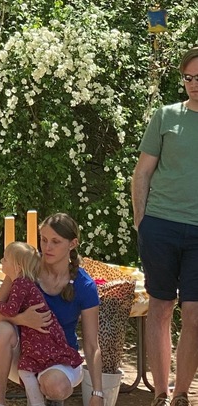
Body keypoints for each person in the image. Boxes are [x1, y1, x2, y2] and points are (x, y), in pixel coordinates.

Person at [131, 45, 198, 406]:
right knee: (160, 307)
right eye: (189, 77)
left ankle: (183, 393)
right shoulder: (166, 115)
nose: (194, 84)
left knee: (194, 314)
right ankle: (160, 392)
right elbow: (142, 172)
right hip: (161, 225)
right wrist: (142, 221)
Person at [0, 213, 103, 406]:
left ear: (72, 244)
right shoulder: (25, 266)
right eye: (44, 240)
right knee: (0, 330)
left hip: (60, 358)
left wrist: (97, 392)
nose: (47, 247)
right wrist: (22, 319)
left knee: (56, 385)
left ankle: (52, 396)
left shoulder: (84, 285)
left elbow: (92, 345)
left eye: (56, 242)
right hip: (25, 355)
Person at [0, 241, 83, 406]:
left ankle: (40, 399)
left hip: (43, 345)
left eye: (5, 259)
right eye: (45, 239)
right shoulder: (20, 278)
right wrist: (22, 320)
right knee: (22, 366)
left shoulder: (21, 282)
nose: (1, 262)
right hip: (33, 343)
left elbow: (8, 309)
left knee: (28, 371)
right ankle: (8, 402)